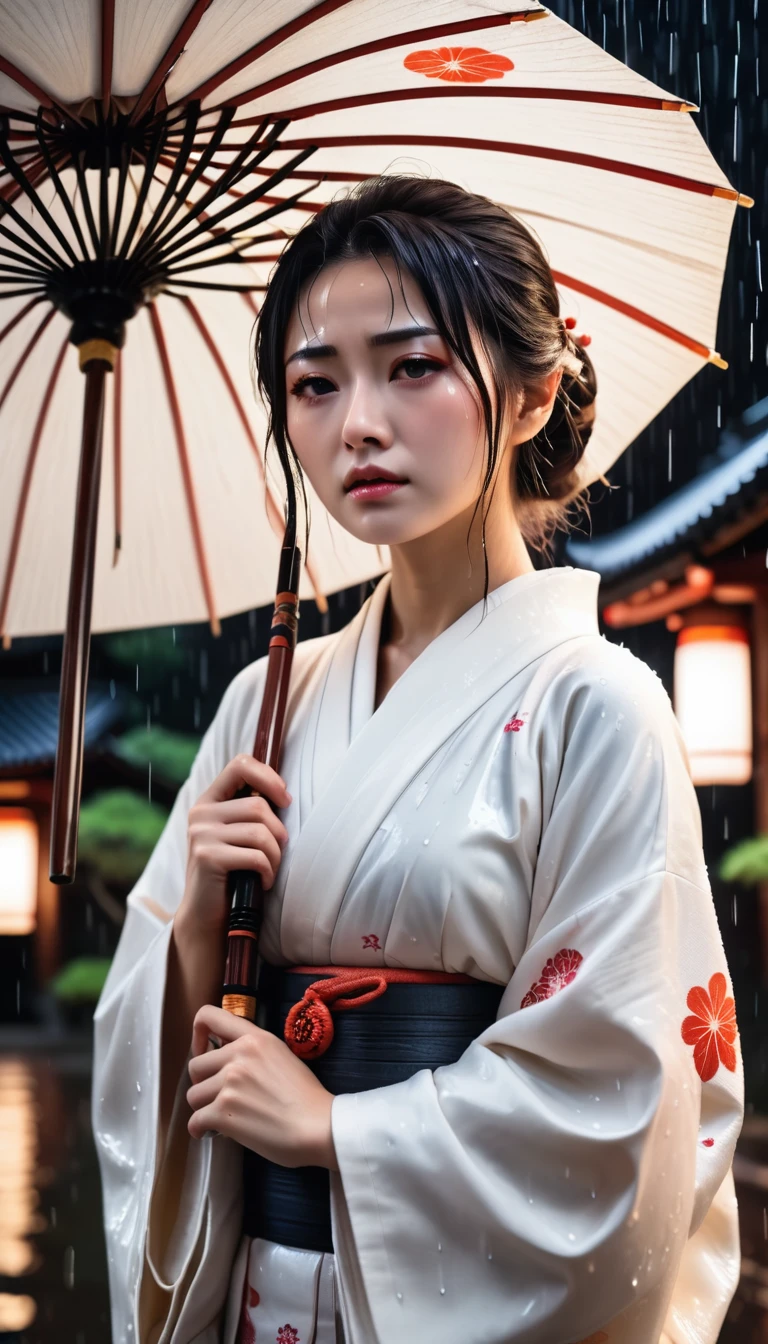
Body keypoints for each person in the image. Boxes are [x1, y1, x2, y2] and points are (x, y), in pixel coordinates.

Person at [92, 175, 743, 1344]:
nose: (358, 426)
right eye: (314, 384)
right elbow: (166, 1060)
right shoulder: (263, 703)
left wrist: (343, 1130)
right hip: (266, 1291)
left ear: (534, 392)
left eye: (413, 366)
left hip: (441, 1293)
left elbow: (621, 1080)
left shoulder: (597, 706)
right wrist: (195, 924)